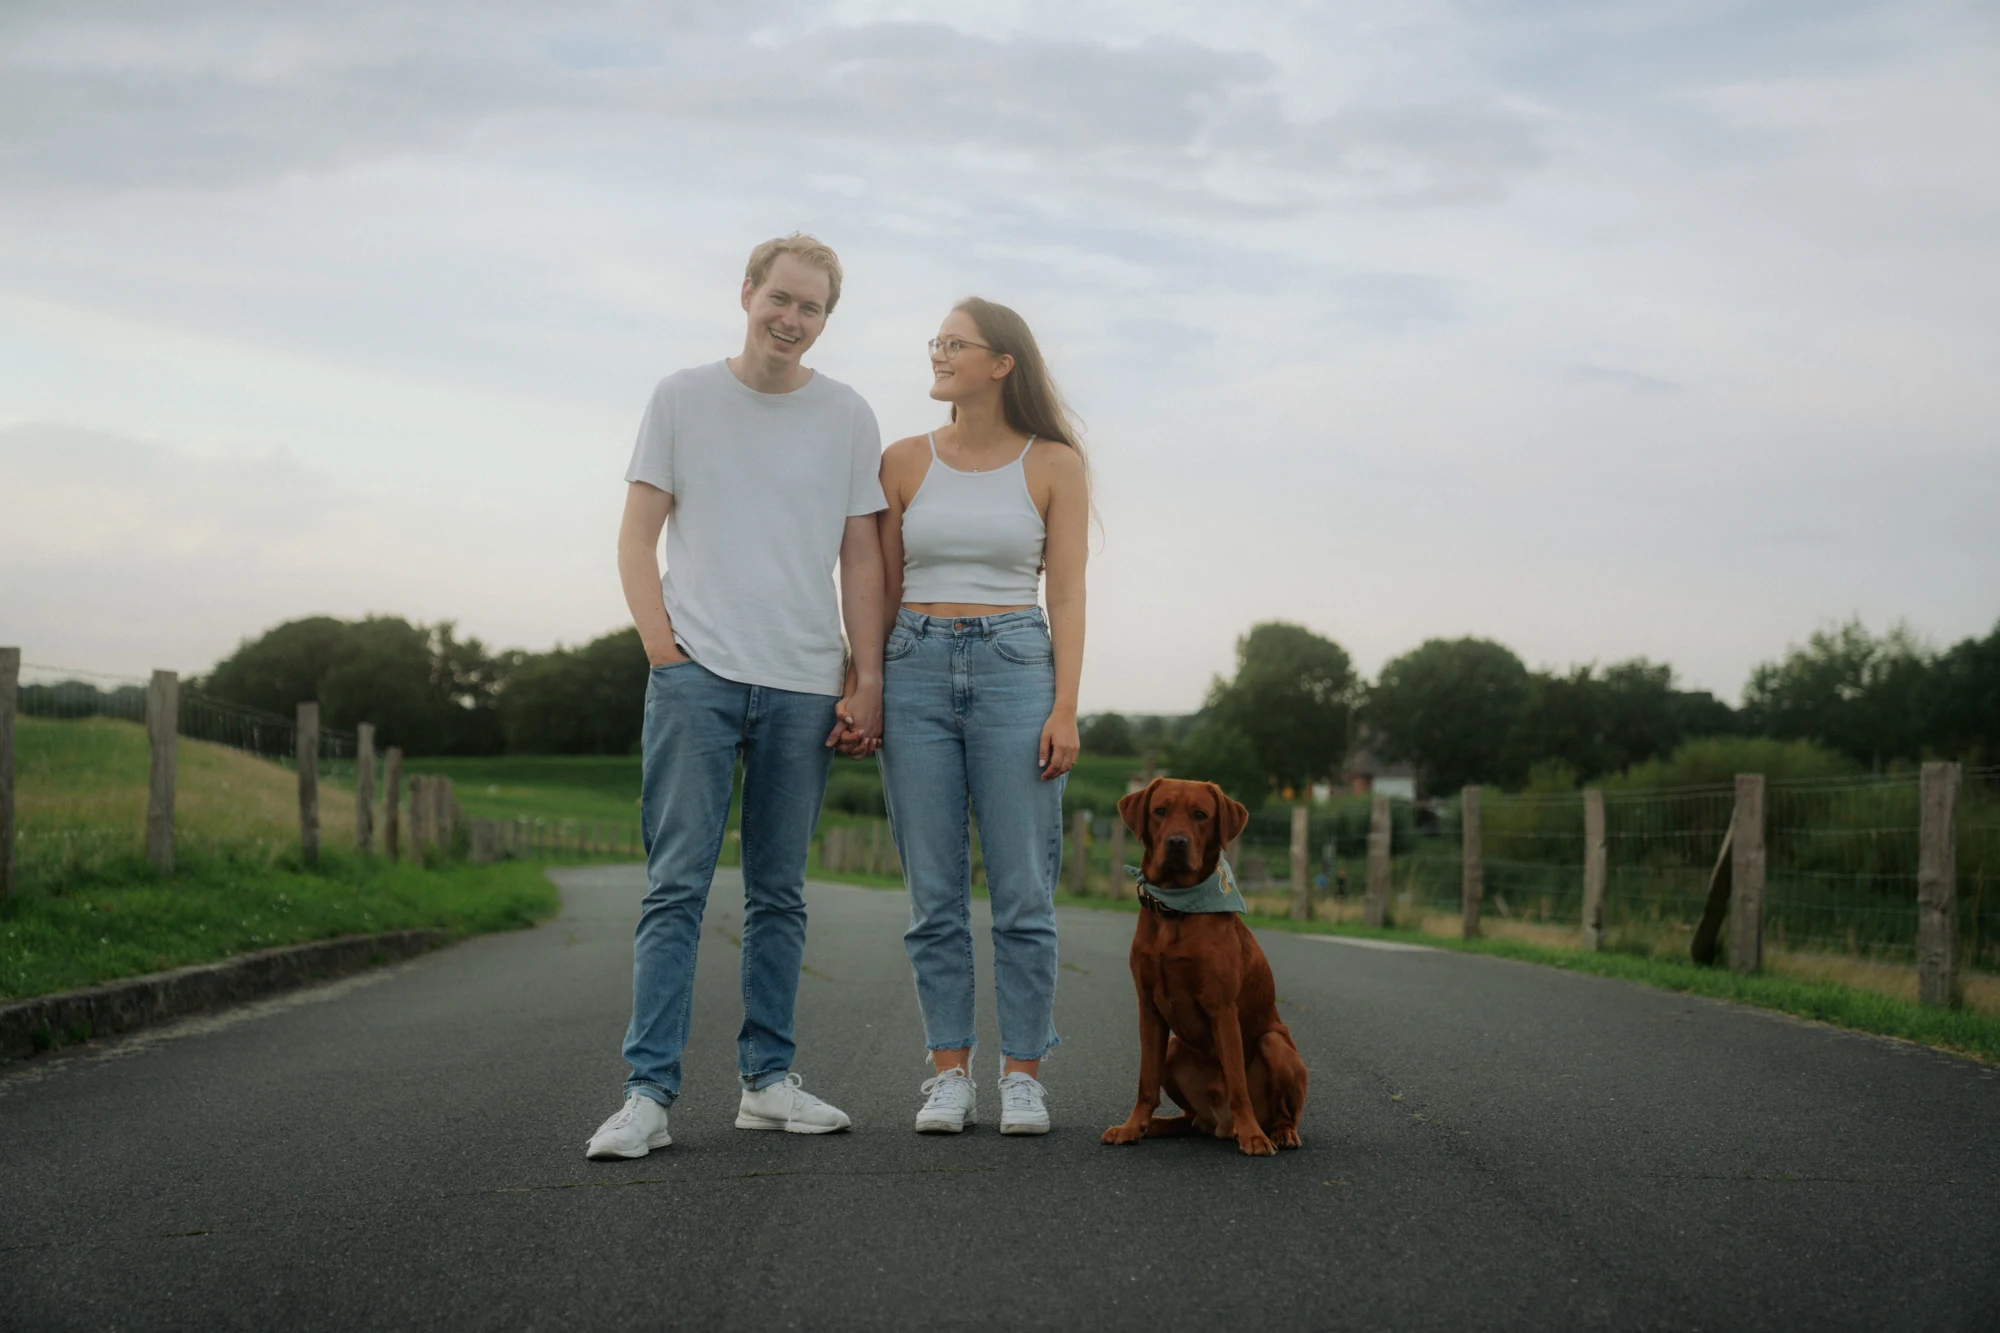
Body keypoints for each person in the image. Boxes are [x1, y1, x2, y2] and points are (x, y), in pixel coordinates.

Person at [586, 234, 887, 1160]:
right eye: (781, 299)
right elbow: (637, 538)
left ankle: (767, 1083)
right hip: (698, 677)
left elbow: (862, 555)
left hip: (802, 682)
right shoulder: (681, 397)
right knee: (675, 886)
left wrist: (865, 675)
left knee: (779, 895)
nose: (792, 321)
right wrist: (665, 652)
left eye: (813, 309)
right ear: (747, 292)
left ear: (826, 319)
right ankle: (647, 1095)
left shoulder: (846, 415)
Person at [870, 297, 1090, 1136]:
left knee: (1023, 890)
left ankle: (1024, 1074)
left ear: (1001, 363)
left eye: (953, 343)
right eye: (936, 341)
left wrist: (1064, 704)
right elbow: (882, 587)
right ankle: (950, 1072)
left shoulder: (1054, 464)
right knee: (934, 894)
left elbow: (1065, 591)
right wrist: (866, 681)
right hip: (914, 664)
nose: (938, 353)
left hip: (1014, 668)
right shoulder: (900, 460)